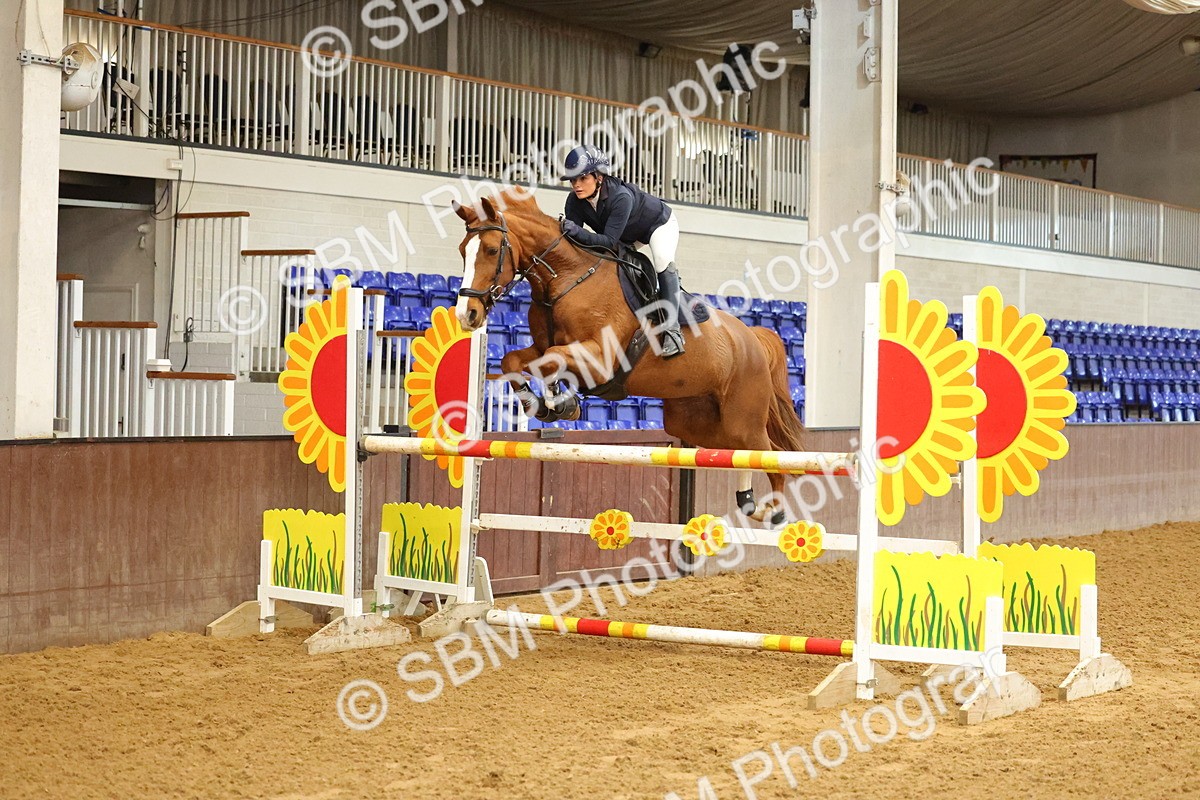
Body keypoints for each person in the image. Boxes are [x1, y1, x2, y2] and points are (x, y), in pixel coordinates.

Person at [559, 145, 686, 358]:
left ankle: (673, 331)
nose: (577, 185)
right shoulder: (575, 200)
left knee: (663, 260)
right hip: (625, 235)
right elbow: (578, 244)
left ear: (598, 177)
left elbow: (607, 241)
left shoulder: (620, 197)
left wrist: (576, 232)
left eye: (582, 179)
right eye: (573, 180)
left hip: (657, 225)